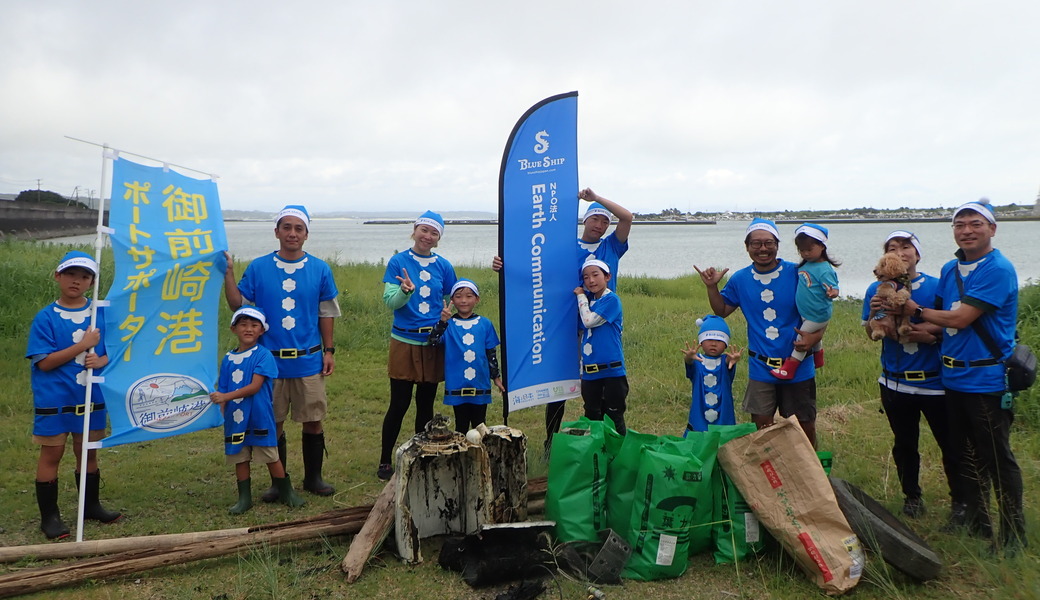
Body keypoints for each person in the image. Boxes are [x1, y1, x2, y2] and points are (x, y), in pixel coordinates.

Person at [895, 199, 1025, 555]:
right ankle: (977, 521)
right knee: (962, 453)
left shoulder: (997, 269)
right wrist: (893, 317)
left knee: (996, 457)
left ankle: (1014, 534)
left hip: (985, 380)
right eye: (960, 224)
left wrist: (915, 309)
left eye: (975, 224)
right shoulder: (951, 270)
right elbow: (935, 323)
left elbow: (959, 319)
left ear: (992, 229)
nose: (967, 230)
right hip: (951, 379)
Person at [224, 205, 340, 501]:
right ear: (276, 231)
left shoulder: (320, 269)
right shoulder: (259, 267)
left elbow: (325, 312)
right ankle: (280, 481)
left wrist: (329, 350)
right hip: (269, 361)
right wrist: (229, 274)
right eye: (286, 227)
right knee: (272, 420)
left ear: (306, 234)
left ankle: (314, 477)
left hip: (308, 358)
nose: (292, 233)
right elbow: (239, 304)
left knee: (313, 418)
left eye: (298, 228)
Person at [694, 218, 822, 447]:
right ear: (747, 246)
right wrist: (712, 287)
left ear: (777, 245)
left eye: (768, 243)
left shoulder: (797, 272)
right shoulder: (740, 279)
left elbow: (820, 308)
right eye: (756, 243)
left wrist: (815, 337)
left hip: (798, 365)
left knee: (804, 426)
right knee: (761, 427)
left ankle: (811, 477)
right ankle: (766, 478)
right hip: (762, 365)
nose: (763, 249)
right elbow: (721, 310)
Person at [863, 231, 959, 519]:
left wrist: (922, 333)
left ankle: (961, 502)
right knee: (905, 444)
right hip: (896, 381)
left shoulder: (937, 285)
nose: (900, 252)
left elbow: (951, 325)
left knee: (950, 443)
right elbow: (871, 332)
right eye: (892, 248)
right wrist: (873, 316)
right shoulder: (875, 289)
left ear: (917, 254)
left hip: (936, 381)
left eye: (906, 247)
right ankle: (912, 497)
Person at [27, 251, 122, 539]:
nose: (76, 281)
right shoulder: (46, 317)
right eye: (70, 274)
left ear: (92, 282)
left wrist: (102, 359)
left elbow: (116, 349)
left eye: (84, 276)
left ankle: (90, 505)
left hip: (91, 396)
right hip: (54, 398)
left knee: (87, 452)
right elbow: (43, 362)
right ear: (58, 276)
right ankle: (50, 517)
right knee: (52, 453)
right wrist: (84, 345)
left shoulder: (100, 313)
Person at [378, 211, 457, 480]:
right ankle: (385, 460)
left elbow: (452, 297)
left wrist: (448, 317)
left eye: (434, 233)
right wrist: (405, 291)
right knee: (398, 403)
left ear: (438, 239)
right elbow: (391, 302)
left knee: (425, 404)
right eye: (424, 230)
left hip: (432, 341)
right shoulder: (398, 262)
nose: (428, 236)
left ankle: (418, 455)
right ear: (414, 231)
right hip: (404, 341)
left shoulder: (444, 266)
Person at [210, 307, 305, 513]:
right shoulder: (227, 359)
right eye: (243, 325)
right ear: (233, 329)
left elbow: (254, 387)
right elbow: (224, 386)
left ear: (262, 330)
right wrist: (222, 409)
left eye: (254, 325)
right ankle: (245, 498)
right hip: (235, 416)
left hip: (258, 413)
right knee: (239, 454)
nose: (248, 329)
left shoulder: (264, 356)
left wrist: (225, 397)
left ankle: (286, 492)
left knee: (270, 453)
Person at [428, 279, 505, 433]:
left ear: (477, 299)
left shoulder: (485, 324)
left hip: (480, 383)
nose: (463, 300)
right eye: (458, 296)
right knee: (461, 426)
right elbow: (433, 341)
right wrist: (442, 322)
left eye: (469, 296)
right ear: (452, 300)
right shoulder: (448, 325)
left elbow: (491, 353)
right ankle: (462, 456)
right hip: (458, 384)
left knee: (480, 425)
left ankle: (480, 455)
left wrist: (496, 377)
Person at [771, 223, 840, 379]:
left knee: (802, 338)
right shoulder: (807, 265)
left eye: (809, 250)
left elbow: (834, 288)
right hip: (807, 312)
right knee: (812, 334)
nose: (805, 254)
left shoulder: (824, 269)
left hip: (818, 314)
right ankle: (818, 357)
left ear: (822, 246)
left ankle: (790, 368)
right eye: (802, 250)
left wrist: (832, 293)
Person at [574, 259, 629, 434]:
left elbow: (588, 321)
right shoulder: (591, 301)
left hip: (612, 370)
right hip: (590, 372)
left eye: (595, 275)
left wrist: (580, 296)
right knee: (592, 416)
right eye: (586, 277)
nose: (591, 280)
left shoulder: (611, 300)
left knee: (614, 418)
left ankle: (620, 457)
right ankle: (597, 457)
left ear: (607, 277)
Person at [682, 315, 741, 434]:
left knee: (724, 436)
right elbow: (690, 364)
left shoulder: (725, 361)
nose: (714, 344)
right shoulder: (697, 360)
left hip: (723, 408)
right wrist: (688, 358)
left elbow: (729, 363)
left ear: (726, 344)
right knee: (698, 432)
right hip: (700, 406)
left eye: (719, 340)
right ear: (701, 342)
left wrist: (733, 359)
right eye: (709, 340)